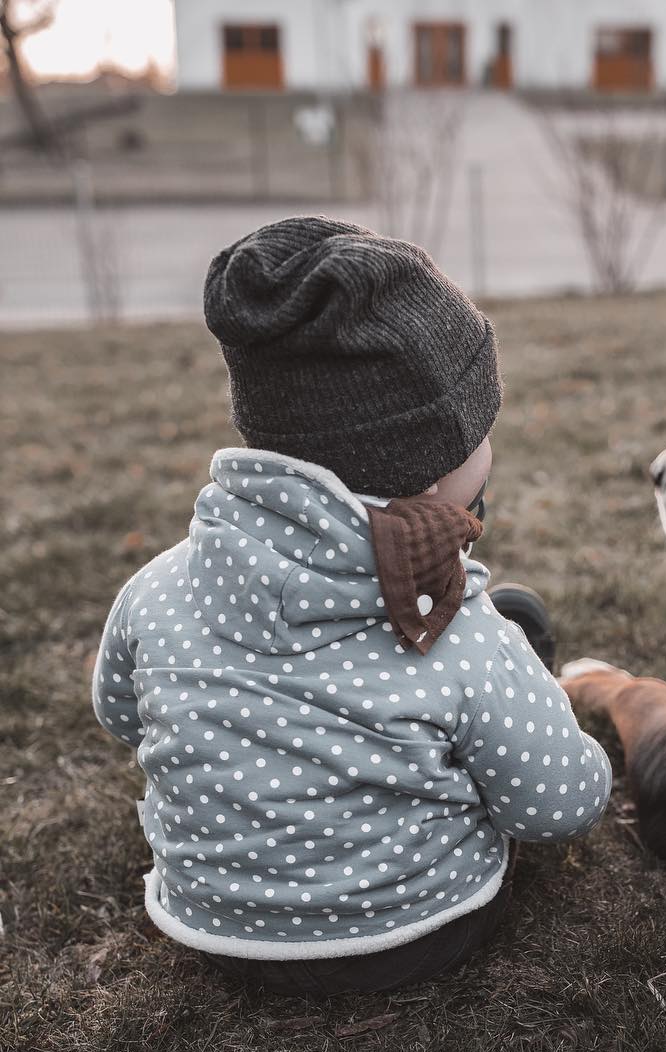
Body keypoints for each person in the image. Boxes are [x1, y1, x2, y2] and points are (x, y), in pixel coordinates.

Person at [91, 216, 611, 996]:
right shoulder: (455, 628)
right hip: (413, 931)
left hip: (217, 937)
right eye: (483, 426)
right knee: (516, 631)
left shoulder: (157, 589)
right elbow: (562, 804)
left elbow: (120, 715)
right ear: (433, 469)